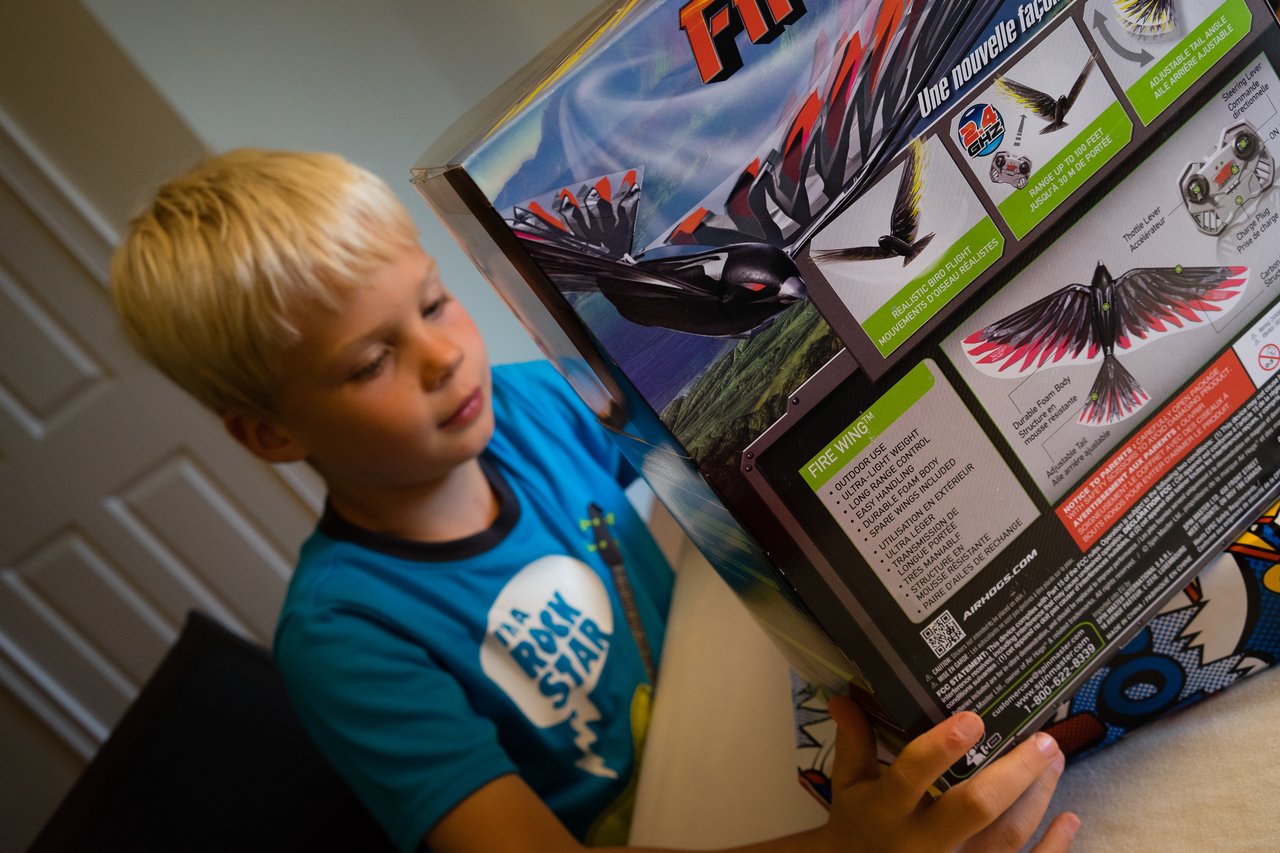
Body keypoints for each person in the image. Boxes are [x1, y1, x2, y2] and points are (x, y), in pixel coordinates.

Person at [111, 148, 1080, 853]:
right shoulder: (347, 635)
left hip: (747, 725)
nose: (445, 352)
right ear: (272, 433)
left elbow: (725, 506)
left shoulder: (532, 403)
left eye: (435, 302)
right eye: (373, 358)